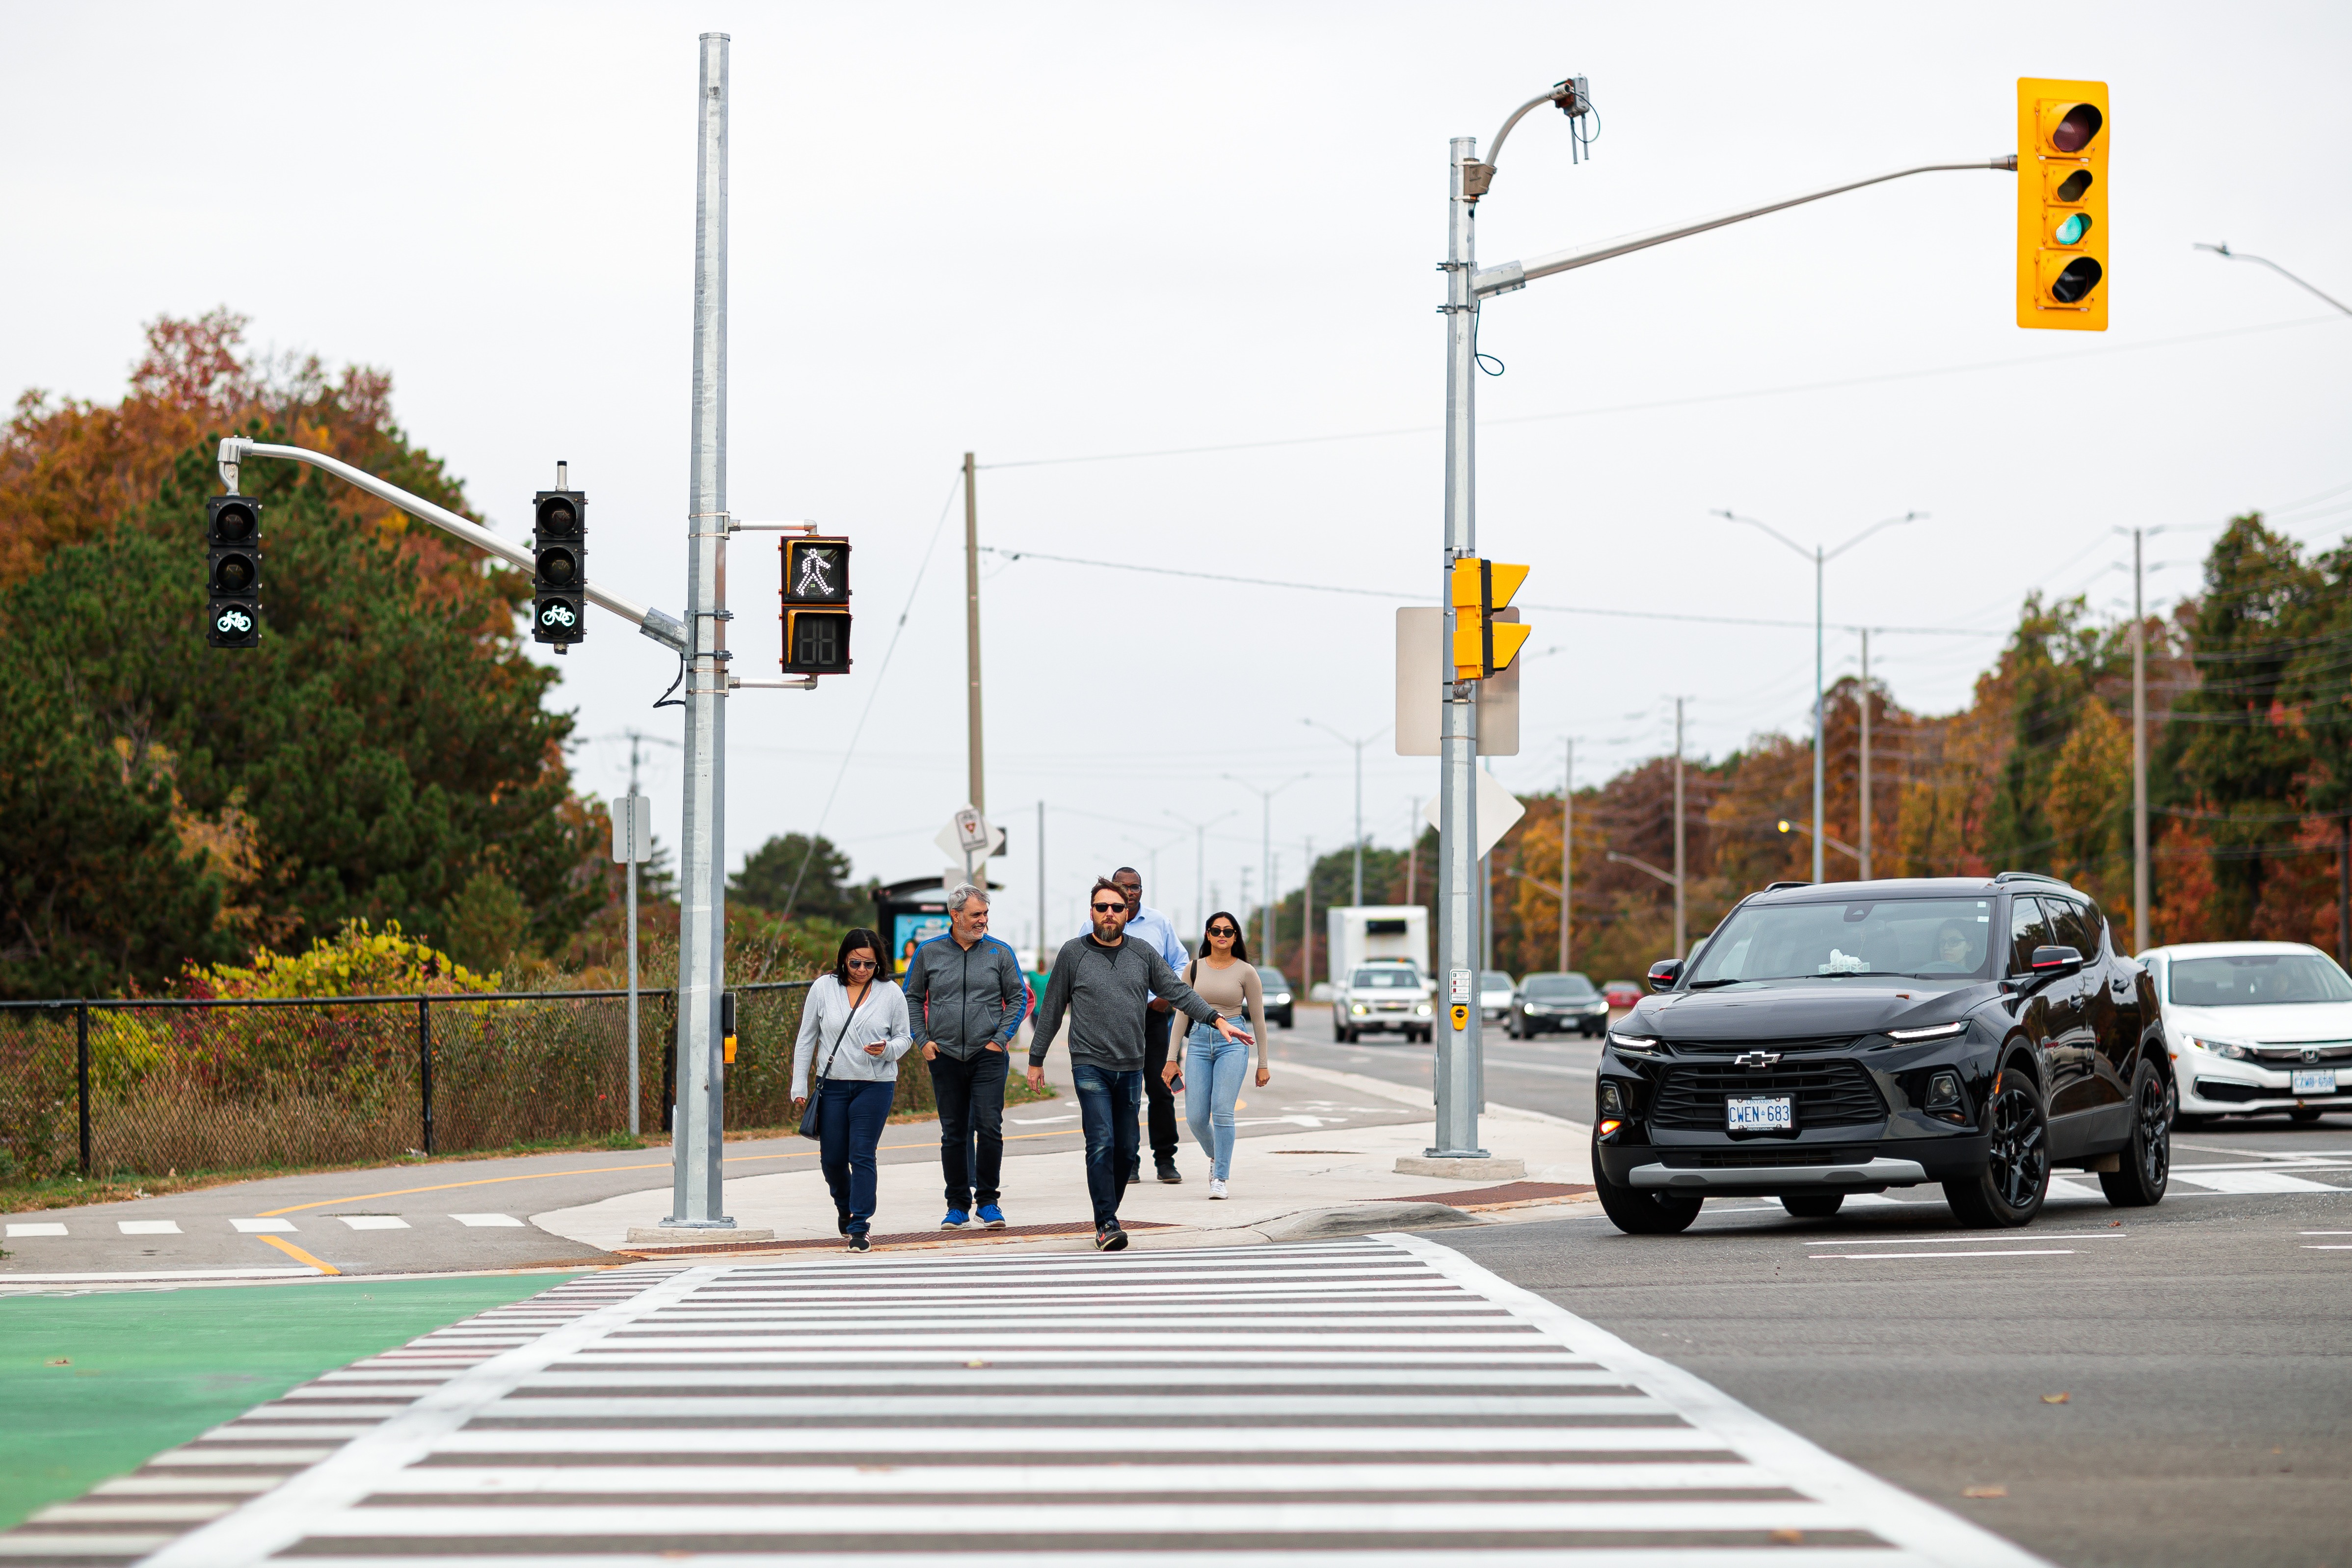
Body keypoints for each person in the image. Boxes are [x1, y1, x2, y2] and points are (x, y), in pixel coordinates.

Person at [1028, 876, 1248, 1250]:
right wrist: (1036, 1059)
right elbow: (1051, 1009)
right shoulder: (1072, 953)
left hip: (1130, 1064)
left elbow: (1179, 991)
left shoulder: (1143, 952)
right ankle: (1107, 1223)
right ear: (1092, 912)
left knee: (1127, 1148)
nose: (1110, 913)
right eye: (1103, 907)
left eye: (1117, 907)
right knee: (1101, 1140)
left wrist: (1217, 1018)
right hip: (1089, 1063)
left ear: (1128, 913)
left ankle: (1106, 1213)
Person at [899, 883, 1030, 1231]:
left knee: (989, 1127)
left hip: (987, 1055)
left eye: (985, 913)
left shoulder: (1000, 952)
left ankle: (988, 1202)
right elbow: (910, 997)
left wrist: (1000, 1040)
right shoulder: (929, 952)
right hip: (943, 1055)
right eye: (976, 914)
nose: (983, 920)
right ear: (955, 915)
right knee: (953, 1132)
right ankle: (956, 1204)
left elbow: (1018, 997)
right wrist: (922, 1040)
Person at [791, 928, 912, 1252]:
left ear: (878, 964)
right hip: (832, 1085)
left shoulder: (890, 992)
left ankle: (860, 1225)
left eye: (869, 965)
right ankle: (844, 1208)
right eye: (855, 963)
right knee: (831, 1159)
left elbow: (906, 1037)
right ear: (844, 960)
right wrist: (798, 1083)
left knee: (861, 1153)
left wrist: (887, 1048)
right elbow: (807, 1037)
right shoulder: (823, 988)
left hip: (876, 1085)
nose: (861, 970)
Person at [1167, 910, 1270, 1200]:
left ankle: (1220, 1178)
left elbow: (1259, 1021)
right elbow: (1181, 1016)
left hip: (1234, 1041)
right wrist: (1171, 1058)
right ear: (1208, 935)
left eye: (1228, 931)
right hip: (1199, 1042)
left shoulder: (1246, 972)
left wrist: (1263, 1064)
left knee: (1223, 1112)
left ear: (1236, 936)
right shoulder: (1194, 969)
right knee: (1197, 1118)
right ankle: (1218, 1156)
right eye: (1216, 931)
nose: (1222, 936)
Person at [1108, 865, 1189, 1184]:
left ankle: (1166, 1159)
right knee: (1124, 1093)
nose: (1130, 892)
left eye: (1135, 886)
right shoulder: (1098, 921)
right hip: (1115, 1019)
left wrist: (1166, 997)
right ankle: (1129, 1162)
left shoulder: (1159, 922)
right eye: (1123, 886)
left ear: (1142, 890)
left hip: (1154, 1016)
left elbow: (1180, 962)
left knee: (1160, 1087)